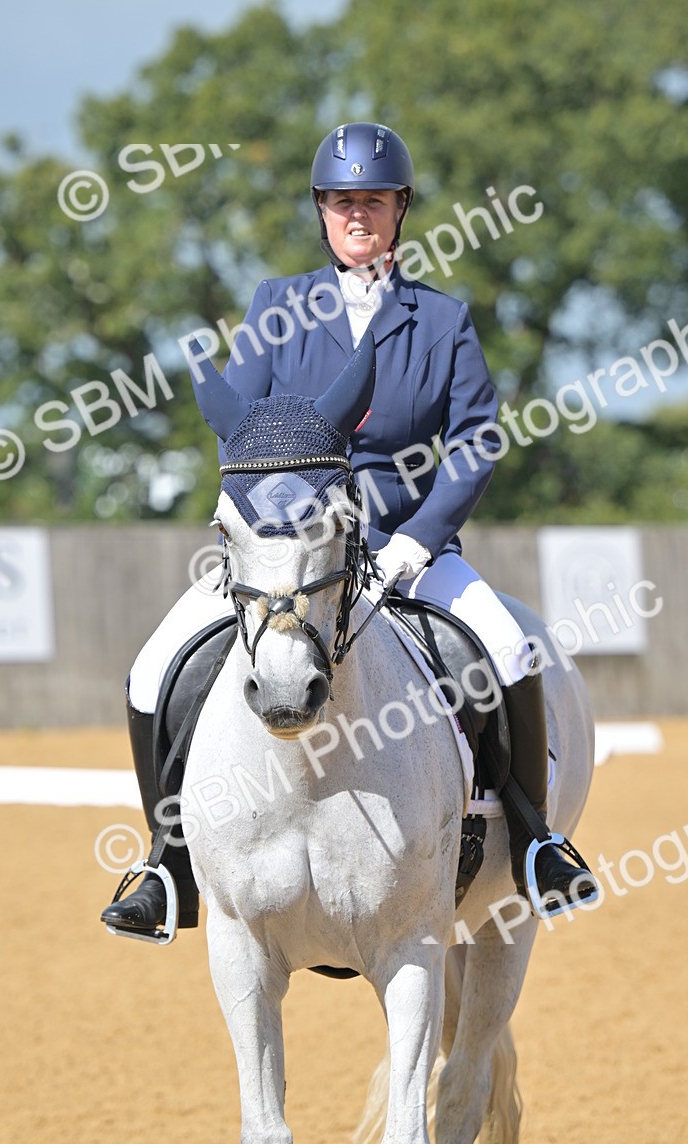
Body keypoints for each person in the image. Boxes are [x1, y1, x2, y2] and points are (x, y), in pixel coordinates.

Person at [101, 121, 597, 936]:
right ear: (321, 212)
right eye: (340, 201)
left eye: (372, 199)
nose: (356, 214)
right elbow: (245, 427)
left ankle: (539, 843)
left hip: (407, 546)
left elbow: (476, 442)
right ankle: (166, 859)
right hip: (293, 550)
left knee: (508, 647)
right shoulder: (276, 306)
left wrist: (417, 538)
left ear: (400, 208)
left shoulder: (441, 320)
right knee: (155, 666)